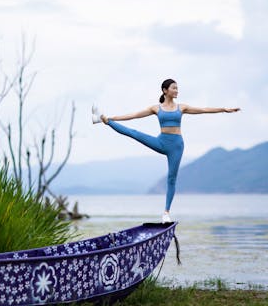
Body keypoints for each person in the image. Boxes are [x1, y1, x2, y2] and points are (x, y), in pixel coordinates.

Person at [92, 78, 240, 222]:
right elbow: (133, 115)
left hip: (176, 146)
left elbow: (204, 109)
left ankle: (166, 213)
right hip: (161, 142)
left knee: (171, 178)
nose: (177, 90)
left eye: (177, 88)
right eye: (174, 88)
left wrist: (224, 110)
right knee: (134, 133)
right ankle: (104, 119)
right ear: (165, 90)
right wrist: (113, 118)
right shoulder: (156, 108)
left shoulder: (181, 107)